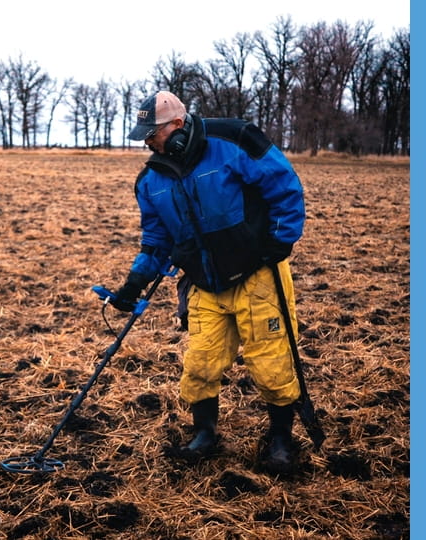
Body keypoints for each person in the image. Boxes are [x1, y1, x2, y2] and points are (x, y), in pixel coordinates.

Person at [110, 90, 306, 473]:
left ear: (178, 126)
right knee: (199, 363)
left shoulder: (234, 141)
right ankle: (205, 435)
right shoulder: (151, 180)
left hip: (257, 274)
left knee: (272, 364)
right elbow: (156, 240)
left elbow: (285, 187)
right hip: (204, 281)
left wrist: (278, 244)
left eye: (153, 134)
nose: (148, 143)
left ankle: (281, 439)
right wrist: (134, 282)